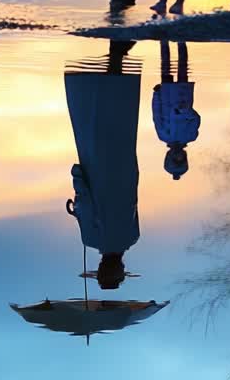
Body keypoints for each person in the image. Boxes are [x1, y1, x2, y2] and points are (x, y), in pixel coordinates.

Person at [64, 40, 141, 289]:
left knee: (119, 119)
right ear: (100, 268)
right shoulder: (91, 238)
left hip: (124, 170)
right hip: (98, 171)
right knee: (96, 121)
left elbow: (133, 202)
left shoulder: (133, 237)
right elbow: (85, 202)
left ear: (119, 268)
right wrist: (77, 179)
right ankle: (115, 56)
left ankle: (116, 58)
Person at [152, 40, 200, 180]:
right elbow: (196, 119)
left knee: (165, 66)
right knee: (182, 67)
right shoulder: (191, 136)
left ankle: (164, 41)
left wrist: (156, 95)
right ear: (185, 158)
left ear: (169, 157)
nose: (178, 156)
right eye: (181, 160)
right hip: (183, 96)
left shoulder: (163, 136)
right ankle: (181, 40)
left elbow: (157, 115)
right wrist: (186, 111)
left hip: (166, 95)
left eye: (175, 159)